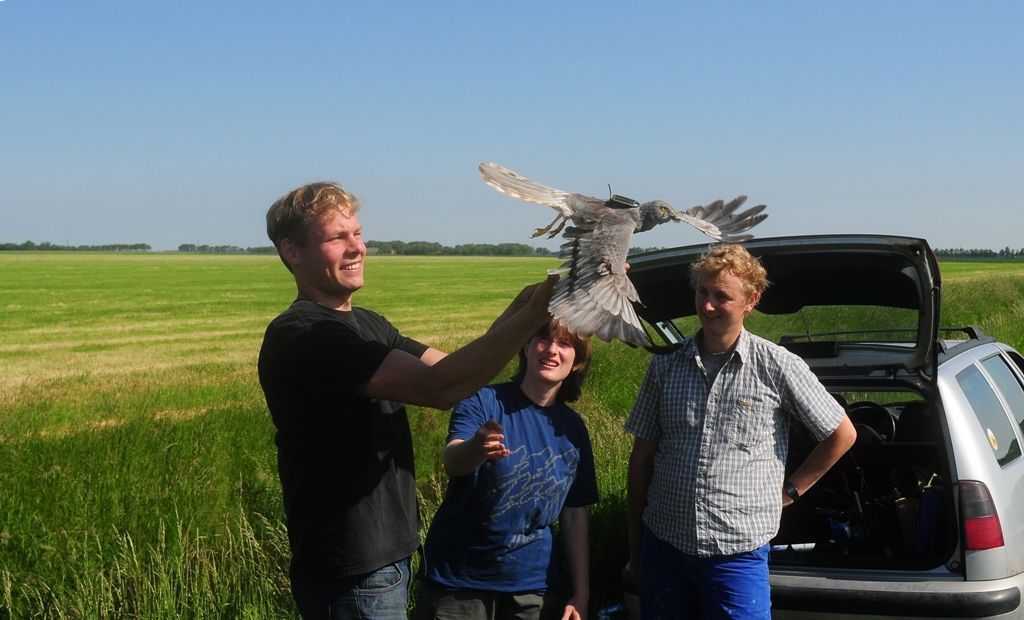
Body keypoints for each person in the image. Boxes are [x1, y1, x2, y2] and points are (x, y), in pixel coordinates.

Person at [257, 181, 557, 619]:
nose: (357, 248)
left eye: (357, 233)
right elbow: (439, 389)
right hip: (353, 566)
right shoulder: (306, 334)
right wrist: (532, 317)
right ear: (292, 252)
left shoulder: (367, 323)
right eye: (337, 237)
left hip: (385, 555)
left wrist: (523, 304)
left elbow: (456, 371)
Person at [625, 244, 857, 619]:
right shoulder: (666, 367)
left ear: (751, 300)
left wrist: (791, 491)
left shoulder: (778, 366)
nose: (708, 306)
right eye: (702, 293)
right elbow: (642, 459)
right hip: (664, 546)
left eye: (722, 296)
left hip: (736, 553)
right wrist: (636, 550)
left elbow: (841, 434)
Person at [415, 321, 598, 620]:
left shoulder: (573, 429)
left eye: (565, 344)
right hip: (459, 583)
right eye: (542, 338)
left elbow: (575, 513)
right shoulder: (483, 401)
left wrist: (581, 593)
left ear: (577, 361)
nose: (551, 349)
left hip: (532, 590)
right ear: (525, 347)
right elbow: (453, 460)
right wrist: (476, 446)